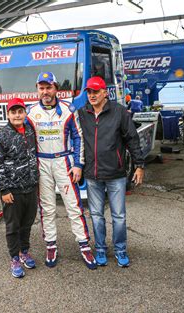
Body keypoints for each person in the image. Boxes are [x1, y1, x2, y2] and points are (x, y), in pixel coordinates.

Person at [27, 72, 96, 270]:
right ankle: (51, 245)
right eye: (41, 88)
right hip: (42, 163)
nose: (45, 92)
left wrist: (78, 164)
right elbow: (16, 129)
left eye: (49, 87)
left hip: (63, 162)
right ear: (37, 89)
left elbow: (78, 137)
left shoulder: (68, 109)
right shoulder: (30, 112)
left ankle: (84, 246)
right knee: (47, 209)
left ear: (56, 88)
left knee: (74, 206)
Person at [78, 76, 145, 268]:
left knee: (119, 216)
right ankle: (100, 249)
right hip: (92, 174)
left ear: (105, 92)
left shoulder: (120, 112)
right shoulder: (82, 113)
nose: (92, 95)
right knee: (96, 215)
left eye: (96, 91)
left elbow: (132, 139)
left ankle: (120, 249)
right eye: (89, 92)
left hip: (116, 174)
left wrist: (139, 165)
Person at [0, 97, 39, 278]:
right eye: (13, 112)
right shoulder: (1, 135)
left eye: (20, 111)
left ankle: (24, 252)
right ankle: (14, 258)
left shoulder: (30, 130)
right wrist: (3, 190)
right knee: (13, 226)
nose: (17, 115)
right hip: (12, 191)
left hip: (30, 187)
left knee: (27, 224)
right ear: (8, 114)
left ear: (25, 113)